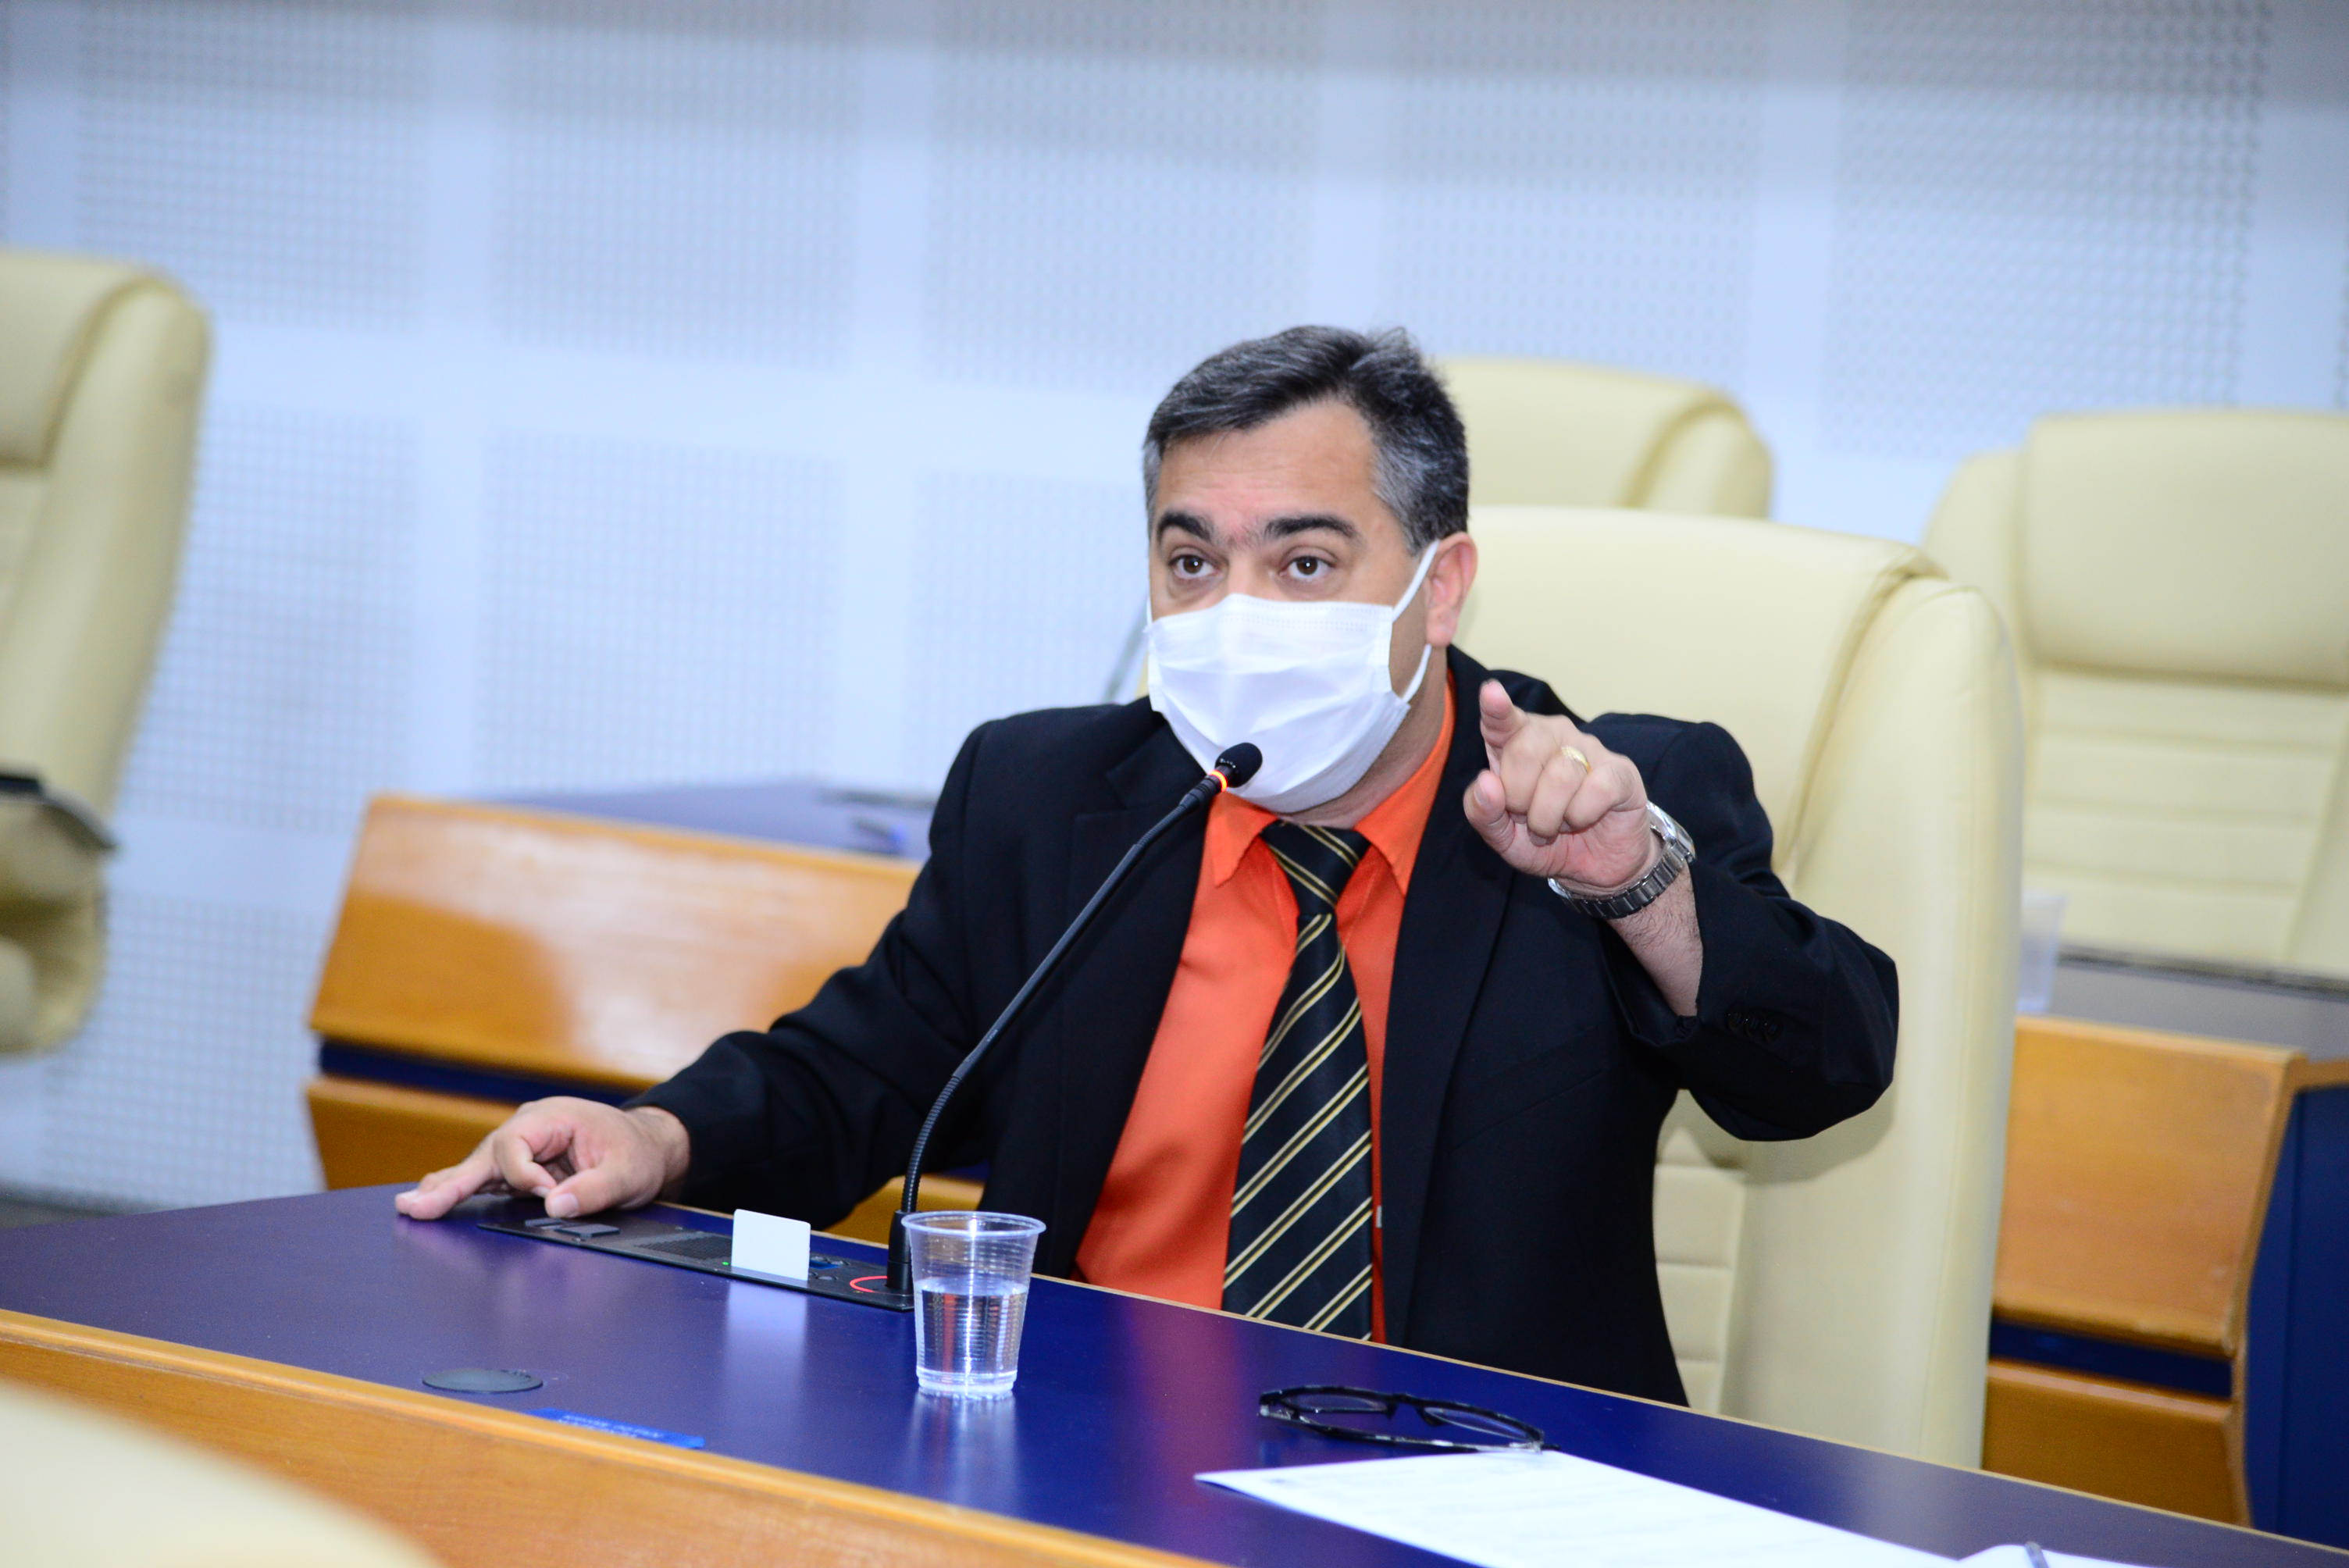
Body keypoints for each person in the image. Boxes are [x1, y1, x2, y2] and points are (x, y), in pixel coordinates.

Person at [397, 326, 1896, 1401]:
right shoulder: (1051, 795)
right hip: (1076, 1456)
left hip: (1470, 1481)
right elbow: (859, 1073)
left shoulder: (1600, 803)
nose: (1237, 611)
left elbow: (1823, 1068)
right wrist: (654, 1139)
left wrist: (1639, 884)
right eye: (1192, 562)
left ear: (1439, 589)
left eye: (1304, 563)